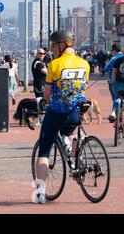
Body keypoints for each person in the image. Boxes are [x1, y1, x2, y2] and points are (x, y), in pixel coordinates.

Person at [32, 30, 90, 204]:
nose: (51, 49)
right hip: (77, 109)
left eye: (52, 45)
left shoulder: (55, 65)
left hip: (57, 110)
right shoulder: (85, 64)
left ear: (61, 44)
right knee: (69, 130)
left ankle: (40, 192)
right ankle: (75, 153)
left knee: (44, 150)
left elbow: (48, 94)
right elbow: (82, 88)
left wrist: (44, 100)